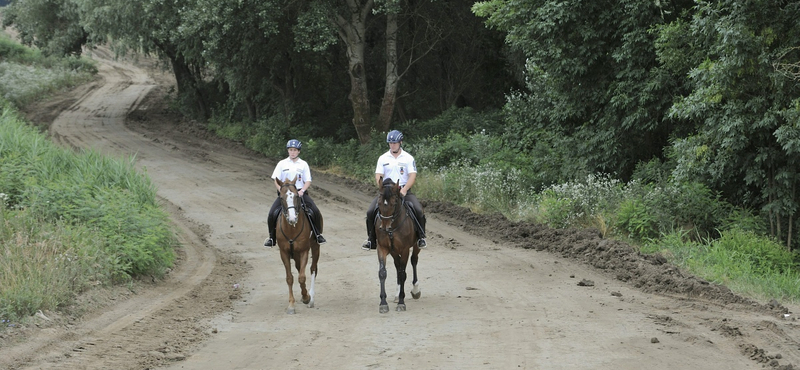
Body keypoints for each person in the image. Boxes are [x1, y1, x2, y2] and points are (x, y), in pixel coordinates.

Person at [361, 130, 427, 250]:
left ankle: (421, 237)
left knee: (418, 210)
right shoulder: (382, 158)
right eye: (390, 143)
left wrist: (405, 189)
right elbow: (378, 175)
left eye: (395, 143)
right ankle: (371, 240)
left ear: (400, 142)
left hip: (403, 191)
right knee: (370, 212)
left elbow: (412, 175)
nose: (392, 145)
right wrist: (382, 187)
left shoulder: (408, 158)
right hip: (387, 192)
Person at [264, 139, 326, 247]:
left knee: (315, 211)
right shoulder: (281, 163)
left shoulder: (303, 164)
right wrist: (281, 191)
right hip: (285, 195)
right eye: (291, 150)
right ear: (288, 151)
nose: (292, 152)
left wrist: (302, 191)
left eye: (295, 150)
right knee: (272, 213)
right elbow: (276, 179)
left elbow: (308, 180)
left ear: (299, 151)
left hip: (300, 193)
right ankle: (271, 238)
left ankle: (317, 234)